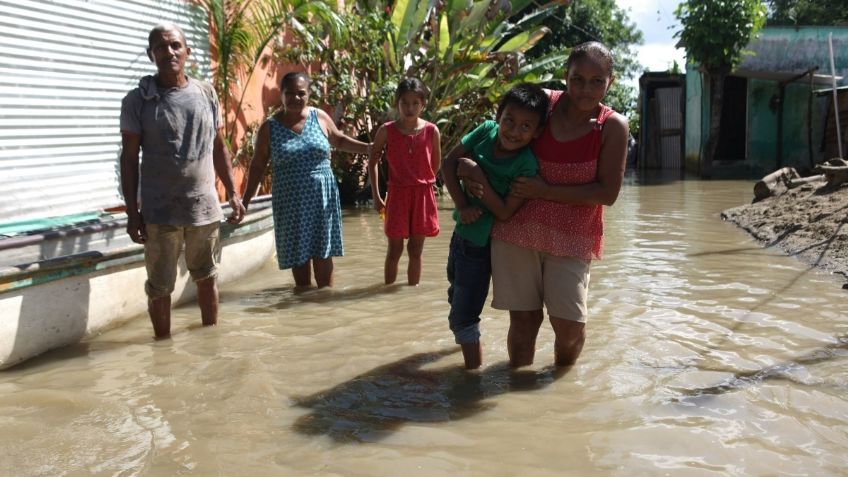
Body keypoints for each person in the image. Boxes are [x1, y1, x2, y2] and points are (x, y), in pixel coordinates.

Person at [460, 41, 629, 367]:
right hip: (516, 230)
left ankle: (562, 388)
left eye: (597, 81)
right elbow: (499, 132)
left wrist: (544, 190)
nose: (585, 89)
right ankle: (520, 401)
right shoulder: (542, 105)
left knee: (569, 327)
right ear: (565, 74)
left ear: (611, 82)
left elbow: (608, 193)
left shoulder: (611, 126)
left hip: (573, 237)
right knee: (523, 323)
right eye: (577, 78)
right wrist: (472, 173)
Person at [120, 23, 246, 338]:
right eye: (160, 47)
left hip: (203, 207)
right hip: (159, 212)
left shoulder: (206, 92)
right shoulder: (137, 100)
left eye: (175, 45)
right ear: (151, 55)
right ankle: (162, 349)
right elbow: (129, 157)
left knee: (206, 277)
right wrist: (132, 213)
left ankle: (211, 342)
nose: (169, 52)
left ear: (187, 52)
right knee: (160, 287)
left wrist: (233, 193)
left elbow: (219, 147)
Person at [441, 83, 548, 369]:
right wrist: (462, 205)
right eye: (509, 121)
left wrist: (478, 175)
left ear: (537, 132)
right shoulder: (486, 130)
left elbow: (503, 212)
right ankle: (467, 351)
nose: (514, 131)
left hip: (483, 247)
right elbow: (448, 162)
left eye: (526, 126)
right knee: (454, 292)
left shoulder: (526, 164)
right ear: (498, 116)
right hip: (461, 235)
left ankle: (471, 377)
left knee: (462, 317)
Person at [241, 72, 369, 288]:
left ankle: (324, 304)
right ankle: (303, 304)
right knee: (298, 255)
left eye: (301, 93)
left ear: (309, 94)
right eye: (289, 93)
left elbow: (338, 139)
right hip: (290, 201)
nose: (295, 98)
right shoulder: (269, 128)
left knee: (323, 253)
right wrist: (245, 201)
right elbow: (257, 166)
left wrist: (369, 149)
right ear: (281, 95)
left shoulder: (319, 117)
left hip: (321, 198)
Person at [367, 78, 442, 286]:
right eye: (405, 103)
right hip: (397, 195)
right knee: (395, 250)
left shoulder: (431, 131)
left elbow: (434, 165)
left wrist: (421, 183)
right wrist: (376, 195)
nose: (410, 108)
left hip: (423, 195)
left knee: (415, 250)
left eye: (415, 103)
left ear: (423, 104)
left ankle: (412, 292)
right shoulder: (387, 130)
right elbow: (372, 161)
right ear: (396, 103)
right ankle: (387, 292)